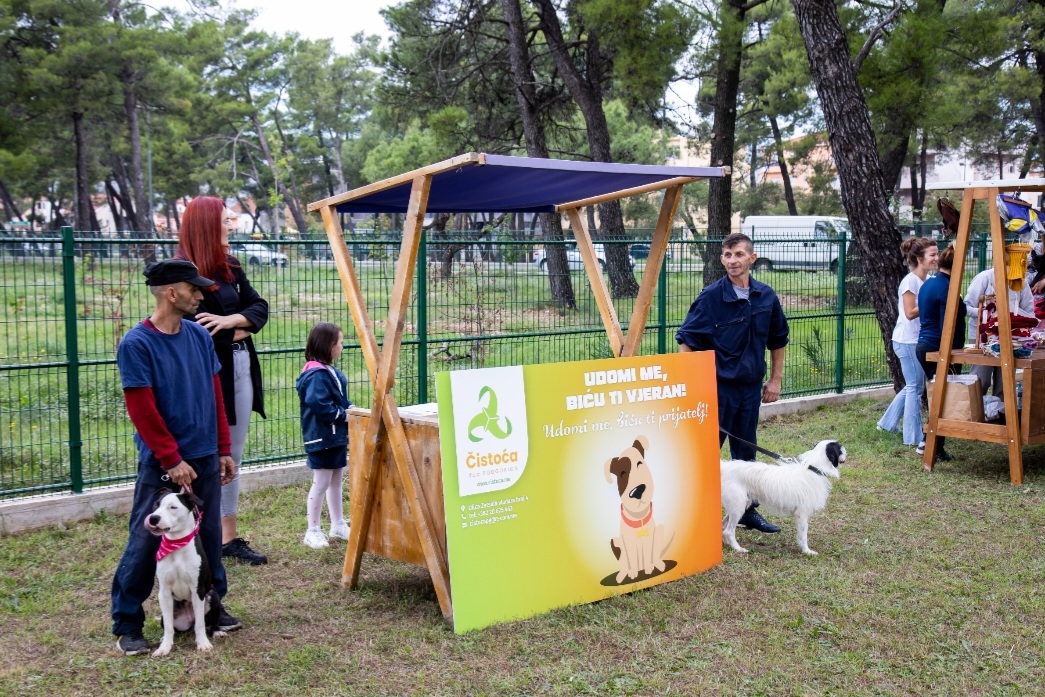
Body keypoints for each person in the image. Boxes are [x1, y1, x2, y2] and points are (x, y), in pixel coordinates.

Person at [111, 259, 242, 656]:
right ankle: (128, 623)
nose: (201, 295)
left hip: (203, 457)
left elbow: (215, 394)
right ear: (172, 293)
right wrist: (170, 459)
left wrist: (222, 448)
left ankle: (211, 605)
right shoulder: (137, 344)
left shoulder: (199, 337)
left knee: (208, 535)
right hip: (164, 465)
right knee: (146, 539)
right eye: (194, 289)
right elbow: (142, 410)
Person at [676, 232, 790, 535]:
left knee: (746, 455)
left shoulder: (766, 296)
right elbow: (686, 341)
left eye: (738, 254)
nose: (732, 261)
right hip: (718, 389)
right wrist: (696, 385)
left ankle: (746, 512)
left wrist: (775, 379)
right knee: (706, 453)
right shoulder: (711, 297)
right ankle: (696, 516)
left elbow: (778, 339)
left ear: (752, 258)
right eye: (727, 255)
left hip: (751, 390)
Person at [177, 197, 269, 566]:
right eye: (225, 220)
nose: (231, 225)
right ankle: (199, 532)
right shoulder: (182, 271)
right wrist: (237, 329)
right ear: (205, 224)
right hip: (206, 374)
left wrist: (231, 322)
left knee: (234, 452)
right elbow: (196, 332)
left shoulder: (229, 265)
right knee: (210, 453)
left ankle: (227, 537)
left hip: (242, 367)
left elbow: (259, 307)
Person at [877, 238, 938, 447]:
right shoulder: (910, 281)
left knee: (914, 385)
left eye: (936, 254)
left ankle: (886, 423)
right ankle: (913, 437)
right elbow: (910, 312)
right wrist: (932, 303)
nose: (936, 258)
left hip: (917, 339)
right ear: (919, 258)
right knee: (915, 387)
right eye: (932, 255)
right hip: (907, 340)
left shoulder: (928, 280)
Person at [296, 322, 352, 549]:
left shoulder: (328, 371)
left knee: (336, 480)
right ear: (329, 345)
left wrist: (351, 409)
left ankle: (338, 524)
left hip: (335, 436)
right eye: (340, 342)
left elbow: (338, 399)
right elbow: (319, 404)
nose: (341, 347)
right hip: (321, 437)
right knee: (321, 483)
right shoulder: (315, 374)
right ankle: (313, 530)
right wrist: (342, 415)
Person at [916, 243, 966, 460]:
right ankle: (929, 445)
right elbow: (949, 323)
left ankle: (933, 445)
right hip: (940, 348)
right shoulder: (948, 288)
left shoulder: (929, 284)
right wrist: (955, 352)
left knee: (938, 397)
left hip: (925, 344)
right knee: (942, 399)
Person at [964, 266, 1034, 399]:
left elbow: (1029, 313)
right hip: (983, 339)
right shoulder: (984, 277)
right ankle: (973, 413)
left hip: (1010, 339)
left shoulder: (1021, 282)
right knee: (980, 380)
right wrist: (986, 313)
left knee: (1004, 384)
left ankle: (1000, 415)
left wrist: (1019, 320)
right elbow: (966, 307)